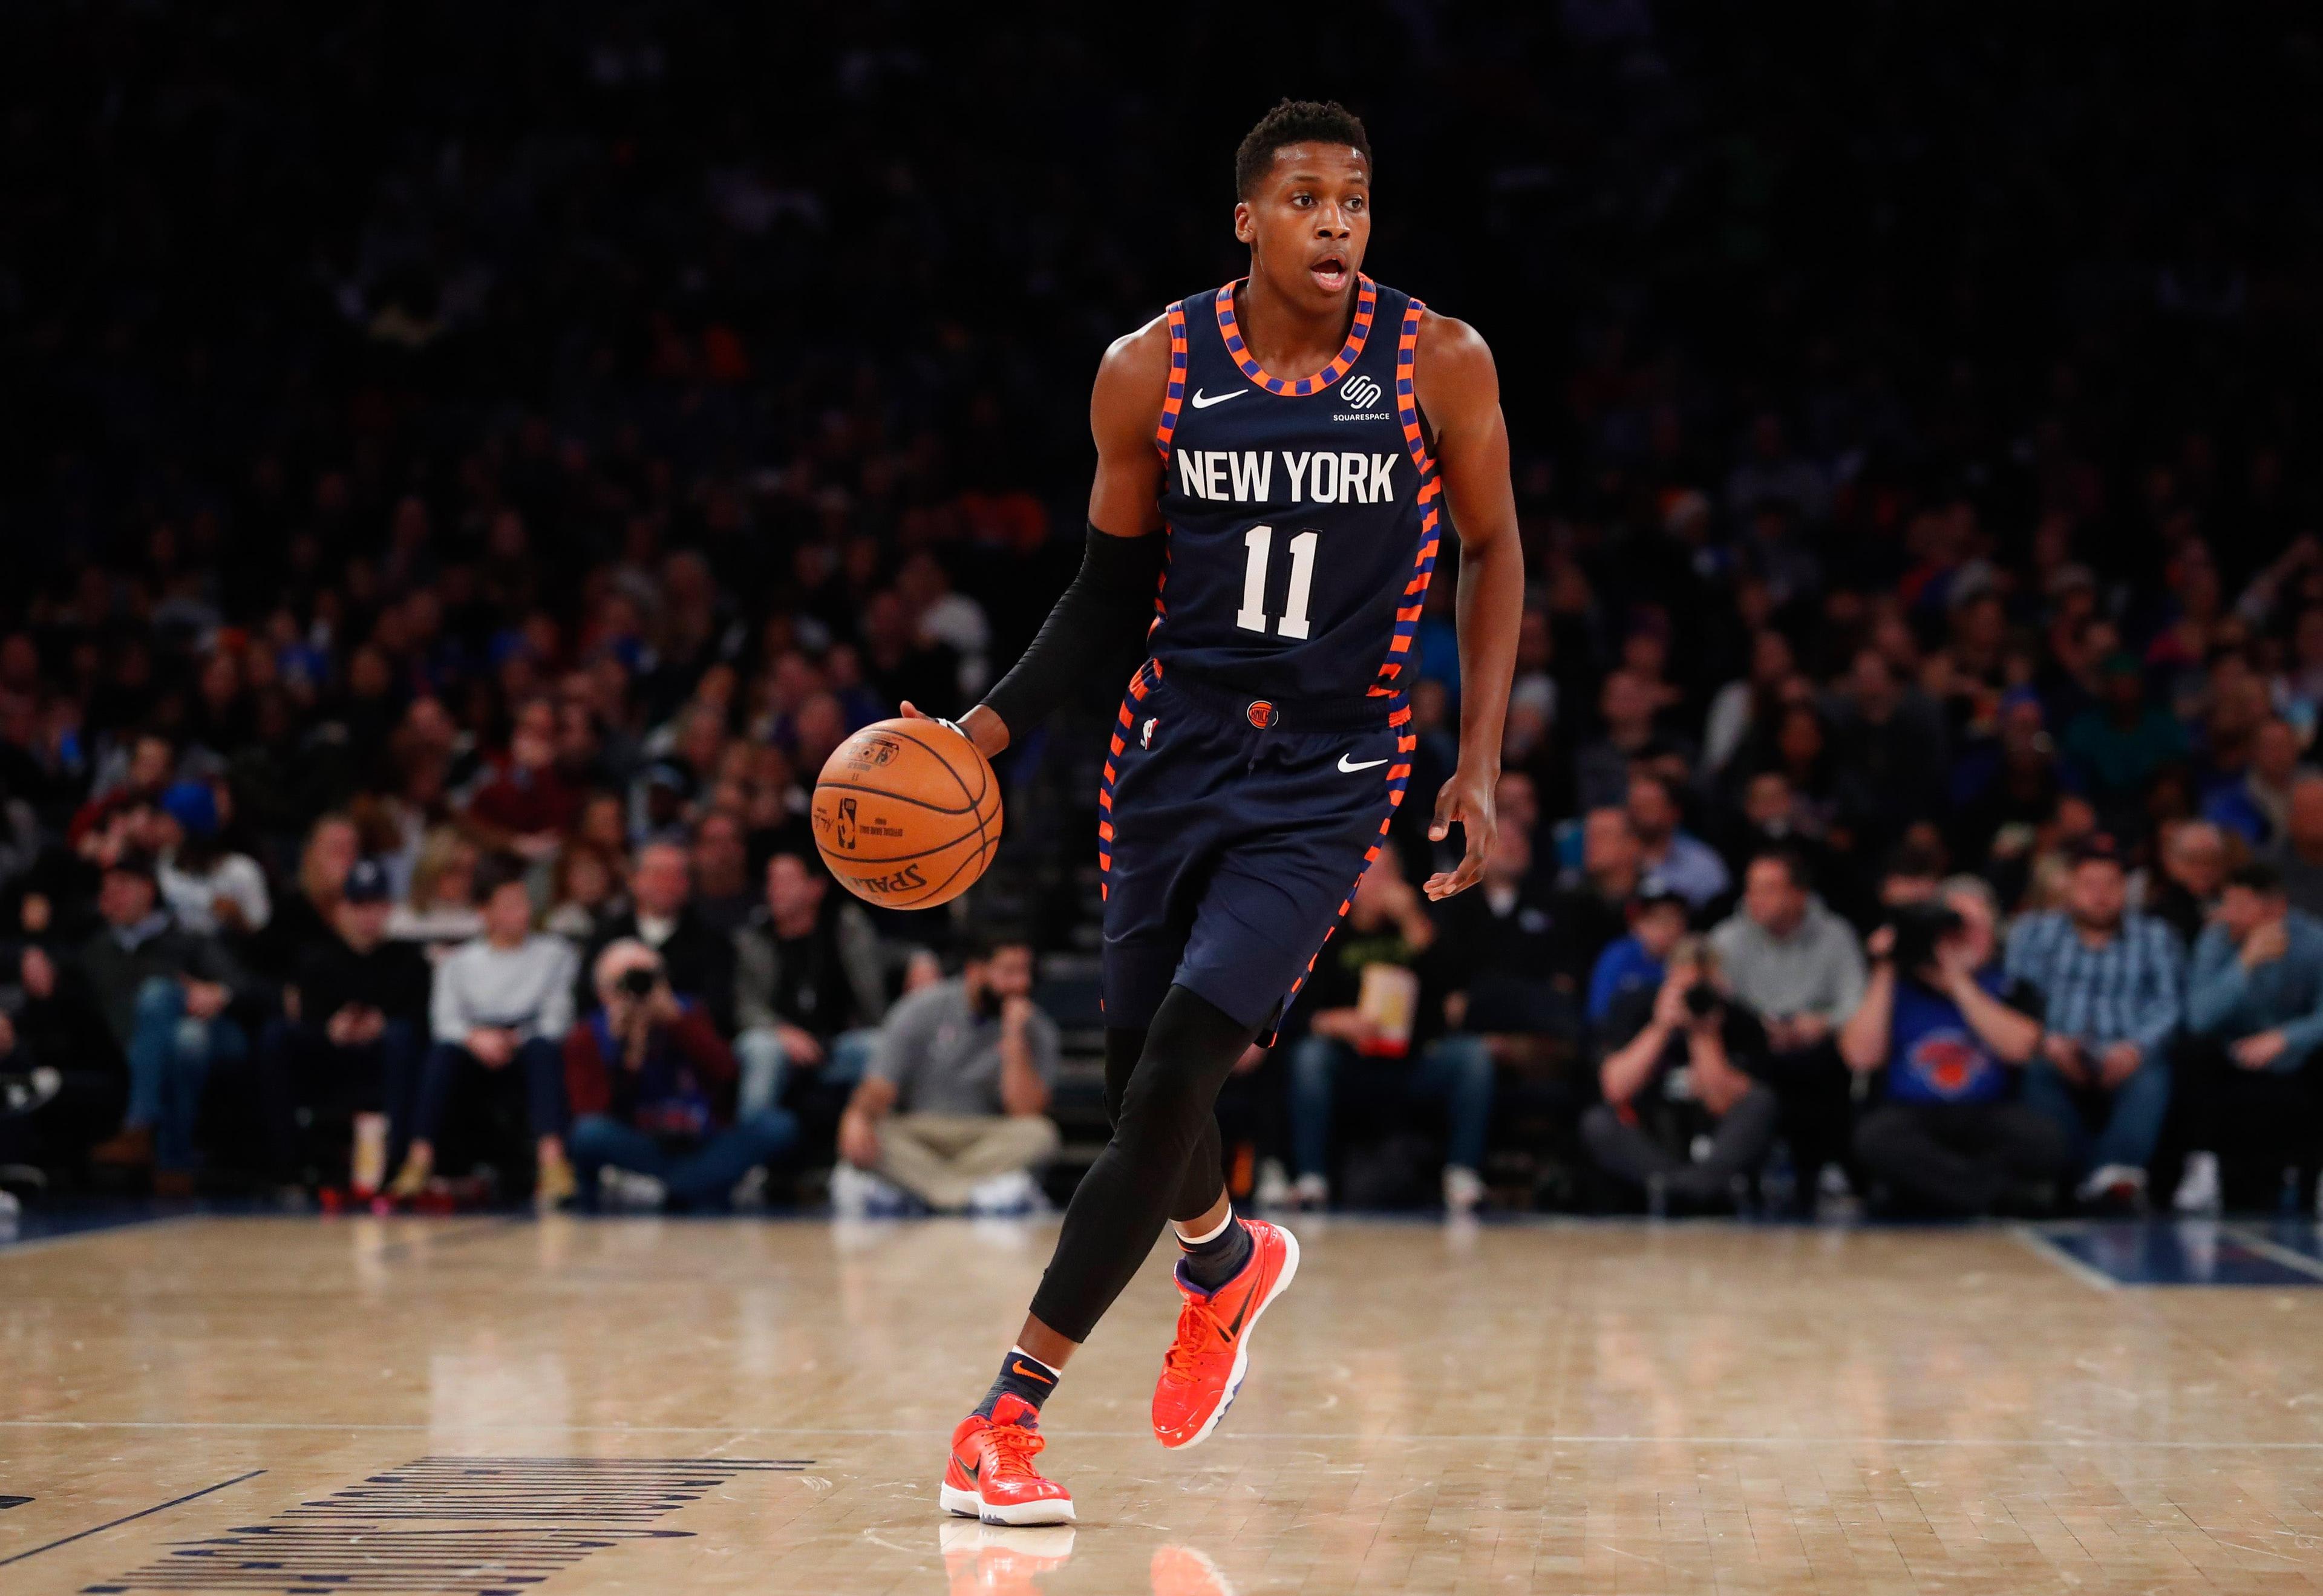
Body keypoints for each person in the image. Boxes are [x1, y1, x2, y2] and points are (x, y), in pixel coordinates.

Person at [911, 101, 1523, 1524]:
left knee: (1178, 1071)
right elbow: (1106, 593)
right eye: (1304, 198)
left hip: (1328, 769)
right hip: (1171, 750)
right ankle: (1222, 1261)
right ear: (1245, 218)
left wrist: (1477, 756)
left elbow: (1492, 549)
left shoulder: (1435, 359)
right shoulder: (1150, 369)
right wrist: (979, 733)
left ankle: (1003, 1410)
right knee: (1140, 1082)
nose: (1334, 223)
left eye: (1355, 201)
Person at [1282, 849, 1495, 1213]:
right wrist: (1334, 1022)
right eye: (1372, 875)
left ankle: (1462, 1174)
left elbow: (1454, 988)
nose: (1381, 886)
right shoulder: (1328, 932)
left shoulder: (1419, 929)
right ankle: (1310, 1178)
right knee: (1308, 1058)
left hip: (1414, 1060)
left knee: (1472, 1057)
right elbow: (1291, 1010)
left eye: (1389, 875)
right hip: (1351, 1062)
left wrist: (1413, 921)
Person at [1842, 877, 2070, 1216]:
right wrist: (1889, 964)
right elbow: (1860, 1056)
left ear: (1993, 933)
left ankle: (1937, 1193)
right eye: (1951, 926)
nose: (1961, 937)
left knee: (2046, 1141)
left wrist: (1959, 984)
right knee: (1875, 1139)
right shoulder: (1897, 986)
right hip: (1912, 1114)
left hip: (1988, 1113)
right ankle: (1987, 1196)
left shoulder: (2009, 986)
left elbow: (2020, 1048)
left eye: (1973, 927)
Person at [2004, 834, 2183, 1209]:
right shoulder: (2033, 933)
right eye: (2089, 885)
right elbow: (2014, 1001)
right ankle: (2079, 1176)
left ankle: (2112, 1176)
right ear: (2070, 886)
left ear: (2126, 889)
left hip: (2127, 1050)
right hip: (2056, 1048)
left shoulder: (2156, 936)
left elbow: (2169, 1005)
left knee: (2153, 1073)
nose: (2100, 895)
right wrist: (2047, 1040)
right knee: (2036, 1071)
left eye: (2111, 885)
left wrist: (2137, 1046)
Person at [388, 863, 578, 1205]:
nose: (520, 913)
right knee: (442, 1054)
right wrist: (476, 1039)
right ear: (485, 912)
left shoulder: (555, 954)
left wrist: (515, 1038)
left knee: (544, 1050)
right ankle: (418, 1159)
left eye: (523, 904)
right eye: (508, 905)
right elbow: (445, 1022)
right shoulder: (458, 963)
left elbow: (558, 1018)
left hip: (526, 1046)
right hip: (473, 1051)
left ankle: (553, 1162)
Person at [833, 931, 1060, 1217]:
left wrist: (1014, 1038)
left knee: (1041, 1135)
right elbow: (880, 1087)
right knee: (870, 1132)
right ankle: (971, 1195)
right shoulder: (922, 1008)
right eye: (1009, 972)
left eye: (1026, 972)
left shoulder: (1036, 1028)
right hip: (920, 1131)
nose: (1022, 983)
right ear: (975, 970)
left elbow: (1025, 1112)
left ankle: (924, 1194)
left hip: (987, 1135)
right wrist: (857, 1116)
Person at [563, 940, 797, 1210]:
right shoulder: (588, 1035)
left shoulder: (687, 1013)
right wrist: (623, 1052)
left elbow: (726, 1076)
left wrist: (678, 1025)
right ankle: (699, 1185)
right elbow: (590, 1110)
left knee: (779, 1125)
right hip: (642, 1144)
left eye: (649, 979)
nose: (640, 992)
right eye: (627, 982)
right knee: (588, 1134)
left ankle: (676, 1186)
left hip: (701, 1139)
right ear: (603, 992)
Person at [80, 854, 262, 1194]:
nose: (112, 898)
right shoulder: (97, 950)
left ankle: (140, 1126)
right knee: (183, 1039)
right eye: (106, 891)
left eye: (122, 888)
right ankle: (173, 1166)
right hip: (146, 1043)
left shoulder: (186, 936)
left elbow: (242, 985)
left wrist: (216, 994)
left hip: (218, 1034)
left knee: (162, 999)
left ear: (148, 890)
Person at [256, 859, 430, 1191]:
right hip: (329, 1063)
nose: (367, 916)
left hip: (386, 1062)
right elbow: (305, 1016)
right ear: (343, 909)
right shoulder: (317, 959)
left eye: (376, 905)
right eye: (359, 905)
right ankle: (287, 1166)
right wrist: (329, 1029)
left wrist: (382, 1025)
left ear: (388, 909)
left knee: (401, 1037)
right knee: (275, 1036)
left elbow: (422, 1020)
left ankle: (396, 1163)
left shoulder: (409, 961)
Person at [1707, 848, 1866, 1197]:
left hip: (1817, 1053)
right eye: (1751, 889)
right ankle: (1731, 1180)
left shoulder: (1836, 935)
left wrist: (1822, 1023)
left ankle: (1821, 1176)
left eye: (1768, 889)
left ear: (1799, 894)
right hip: (1754, 1054)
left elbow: (1856, 1002)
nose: (1755, 899)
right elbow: (1718, 1007)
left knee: (1832, 1066)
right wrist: (1758, 1029)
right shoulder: (1726, 939)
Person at [1581, 937, 1779, 1212]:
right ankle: (1683, 1188)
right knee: (1598, 1121)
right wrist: (1660, 1028)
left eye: (1702, 986)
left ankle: (1692, 1187)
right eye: (1684, 986)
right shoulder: (1634, 1007)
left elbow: (1721, 1103)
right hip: (1653, 1144)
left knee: (1761, 1103)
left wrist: (1704, 1033)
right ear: (1668, 976)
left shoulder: (1740, 1020)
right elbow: (1615, 1089)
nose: (1693, 995)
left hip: (1713, 1144)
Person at [2174, 862, 2323, 1213]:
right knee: (2193, 1050)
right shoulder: (2217, 940)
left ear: (2276, 907)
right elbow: (2198, 1017)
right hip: (2233, 1055)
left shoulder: (2314, 941)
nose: (2228, 914)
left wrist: (2285, 1038)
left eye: (2241, 906)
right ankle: (2202, 1168)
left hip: (2294, 1056)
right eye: (2227, 903)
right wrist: (2245, 962)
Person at [732, 852, 887, 1116]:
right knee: (760, 1048)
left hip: (838, 1046)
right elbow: (744, 1005)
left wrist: (919, 959)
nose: (775, 890)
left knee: (880, 1047)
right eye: (772, 882)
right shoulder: (753, 939)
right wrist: (781, 1031)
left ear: (816, 887)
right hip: (780, 1047)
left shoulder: (845, 927)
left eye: (786, 881)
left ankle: (865, 1147)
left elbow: (886, 955)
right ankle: (751, 1145)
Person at [581, 839, 737, 1038]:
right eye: (658, 874)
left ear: (688, 884)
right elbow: (586, 1000)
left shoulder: (712, 939)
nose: (667, 883)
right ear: (634, 880)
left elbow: (719, 1011)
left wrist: (673, 1012)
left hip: (684, 1047)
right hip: (614, 1037)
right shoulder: (607, 933)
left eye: (677, 875)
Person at [1586, 886, 1691, 1030]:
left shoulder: (1691, 960)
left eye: (1676, 918)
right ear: (1637, 924)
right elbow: (1599, 1014)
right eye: (1659, 919)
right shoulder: (1619, 955)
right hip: (1622, 1040)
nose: (1669, 927)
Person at [1627, 771, 1730, 911]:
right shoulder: (1614, 859)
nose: (1639, 813)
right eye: (1636, 806)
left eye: (1649, 805)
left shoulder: (1703, 864)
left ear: (1673, 812)